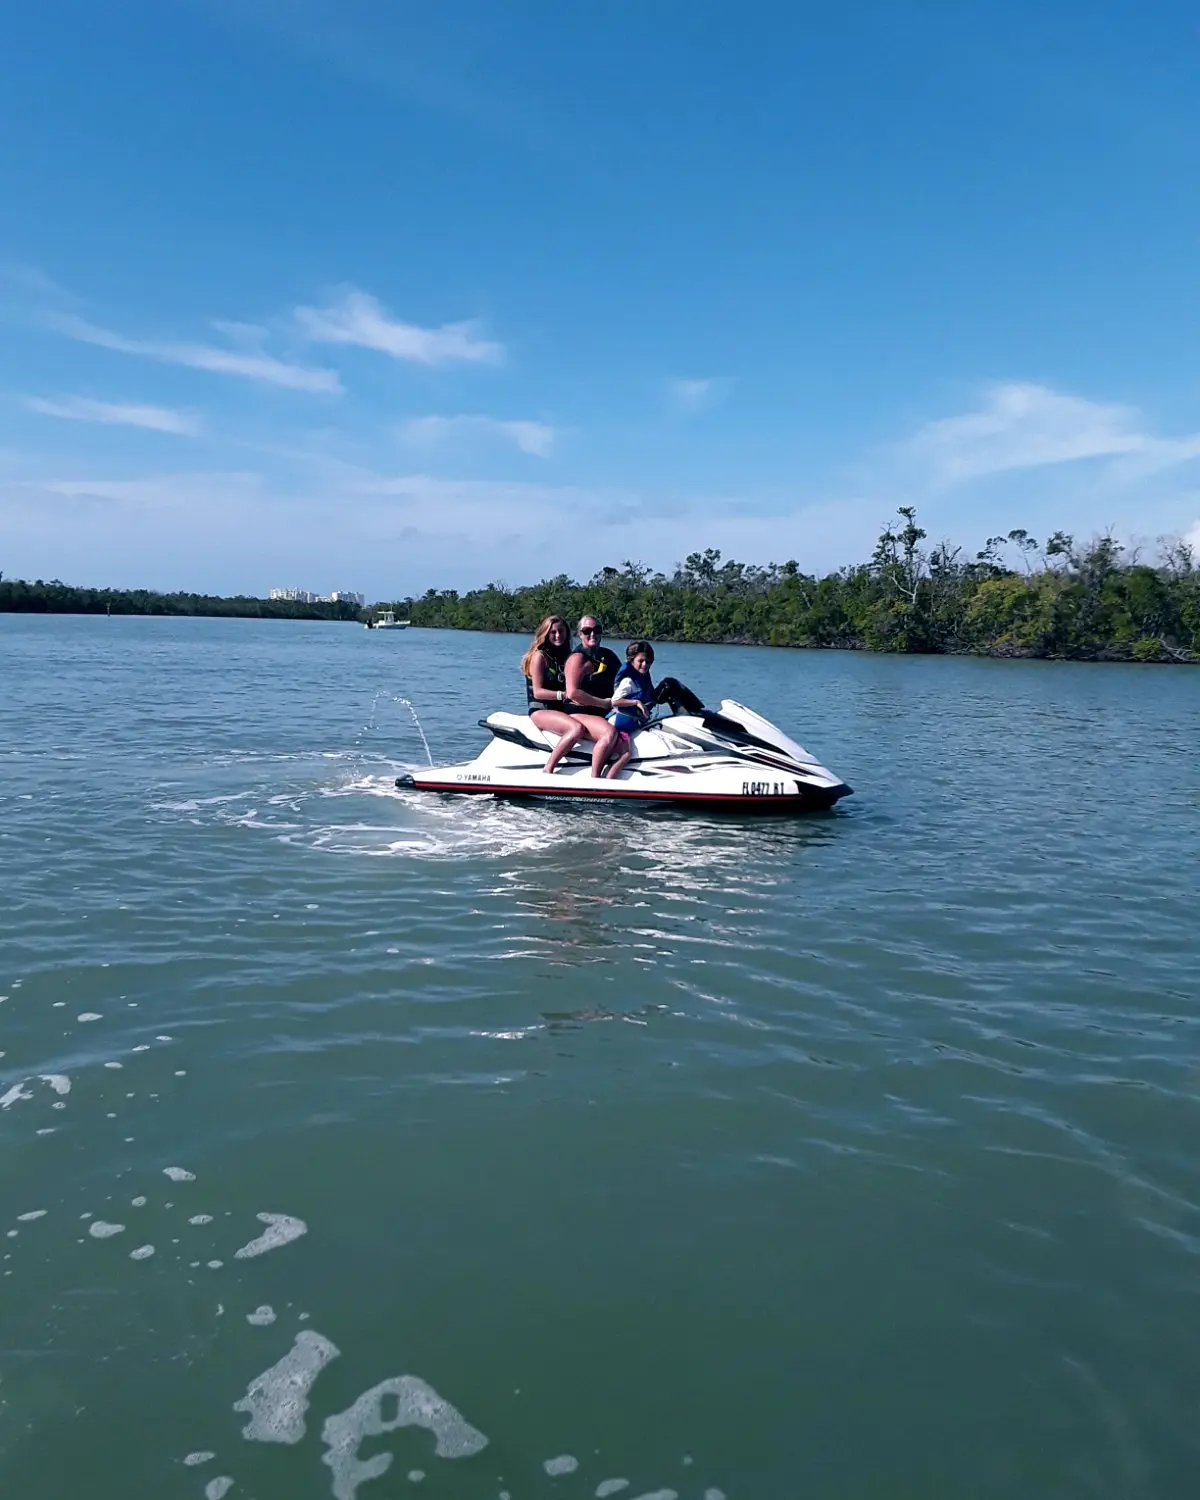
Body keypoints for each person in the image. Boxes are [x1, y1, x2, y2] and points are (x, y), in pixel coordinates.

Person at [603, 640, 655, 779]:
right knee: (625, 755)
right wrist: (636, 702)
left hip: (630, 725)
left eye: (648, 662)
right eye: (641, 661)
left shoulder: (643, 680)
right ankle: (607, 783)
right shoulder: (629, 681)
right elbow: (615, 701)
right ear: (632, 660)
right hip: (619, 726)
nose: (645, 665)